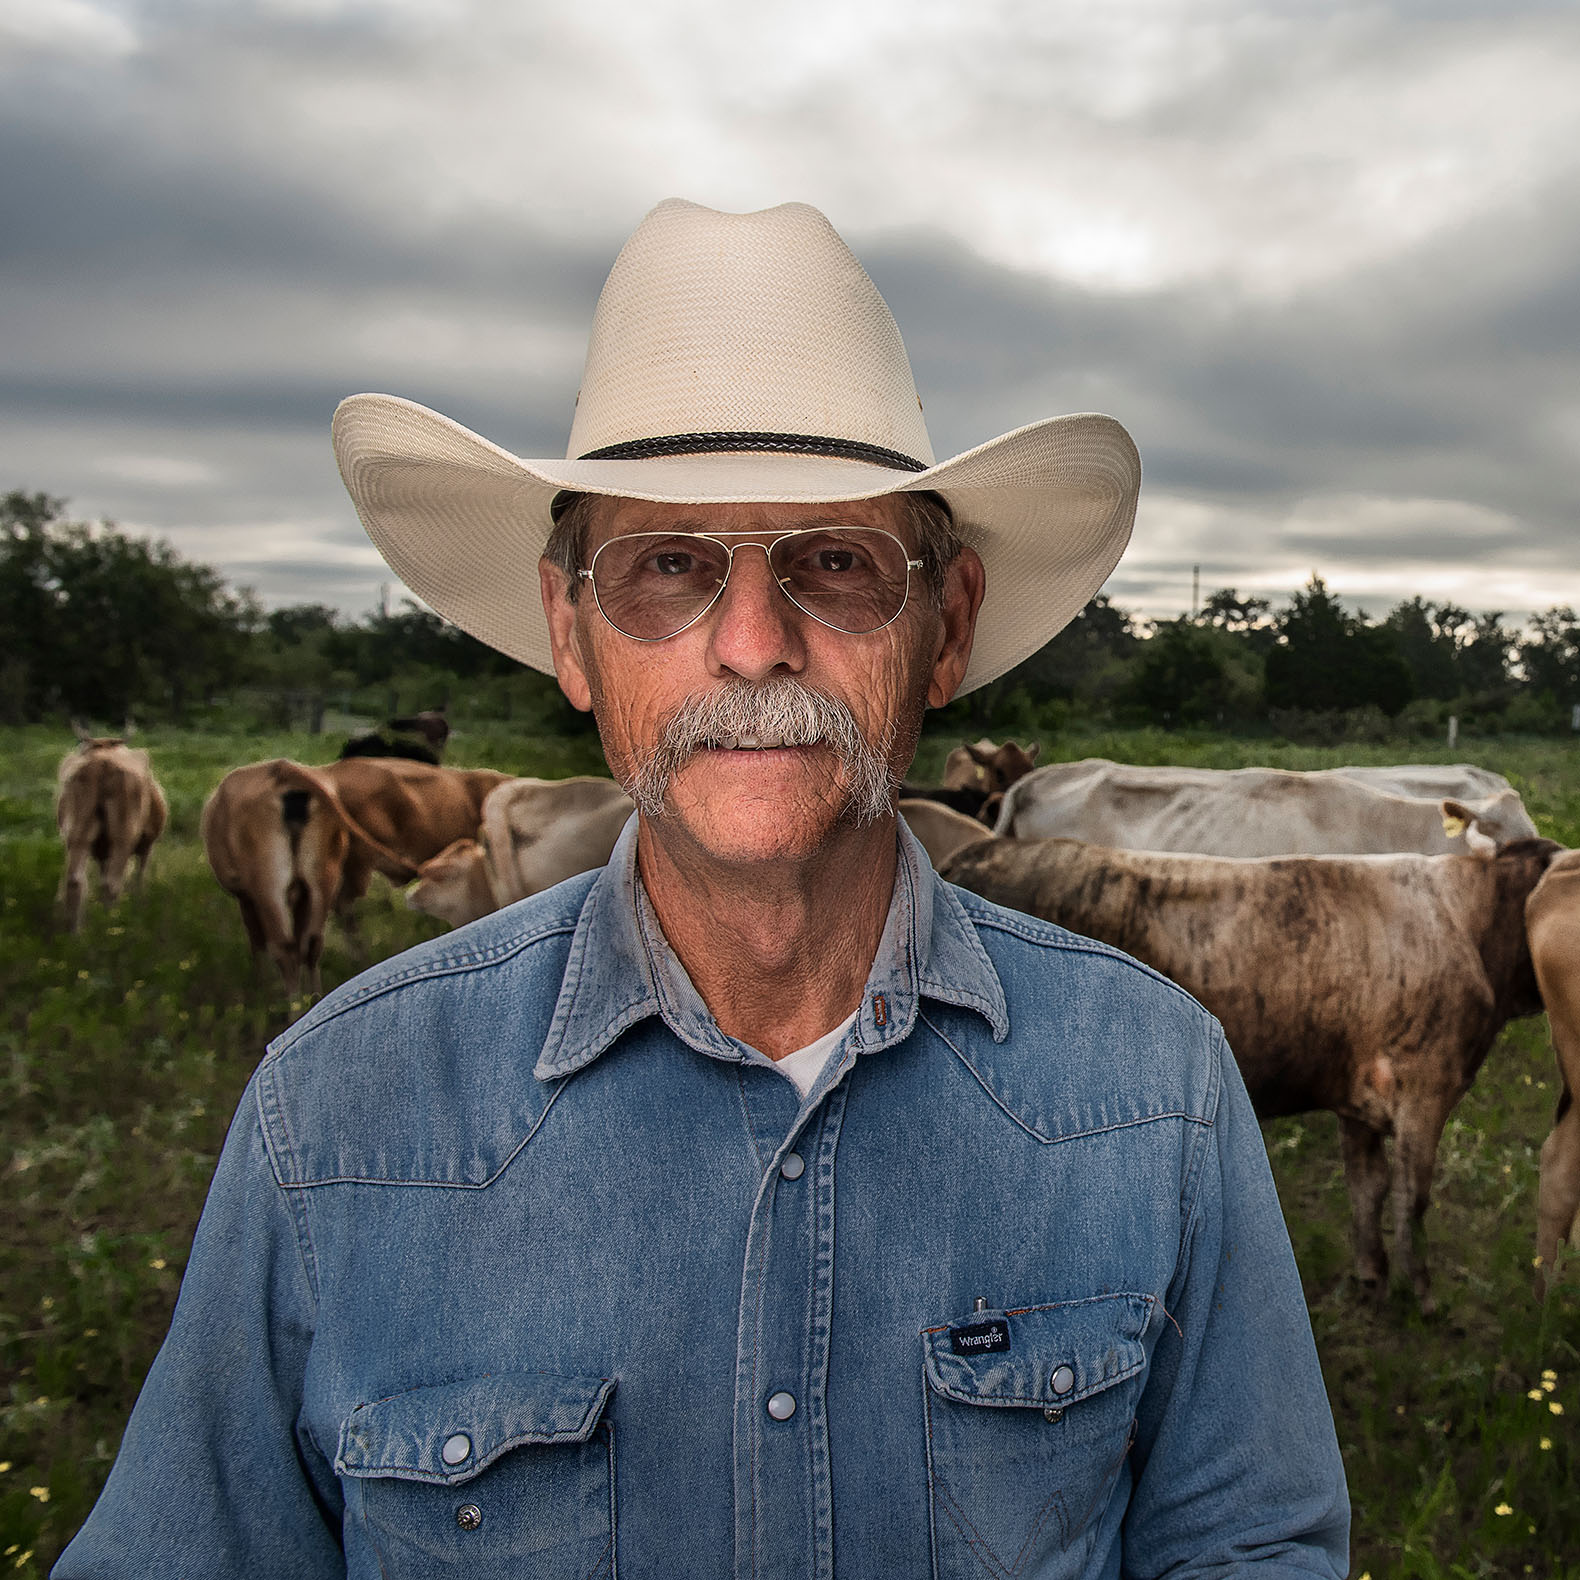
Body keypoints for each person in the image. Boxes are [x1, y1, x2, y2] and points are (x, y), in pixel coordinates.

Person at [57, 199, 1348, 1579]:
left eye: (836, 563)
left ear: (947, 628)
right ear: (571, 633)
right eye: (666, 566)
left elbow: (1249, 1545)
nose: (751, 644)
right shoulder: (337, 1116)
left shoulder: (1158, 1088)